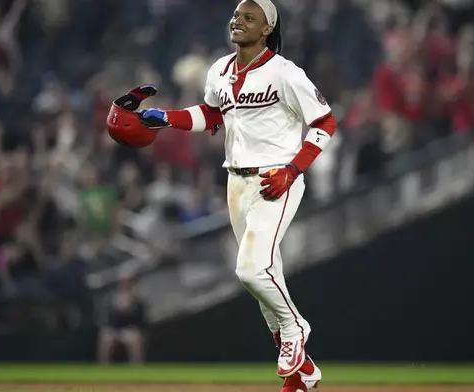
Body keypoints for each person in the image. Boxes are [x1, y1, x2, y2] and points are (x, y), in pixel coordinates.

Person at [122, 0, 336, 390]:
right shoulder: (219, 69)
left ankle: (295, 328)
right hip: (235, 183)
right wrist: (168, 117)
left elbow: (325, 122)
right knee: (266, 282)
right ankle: (302, 374)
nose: (238, 21)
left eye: (249, 17)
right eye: (237, 15)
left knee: (250, 271)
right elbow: (214, 115)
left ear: (267, 28)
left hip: (276, 179)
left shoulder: (285, 73)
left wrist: (293, 170)